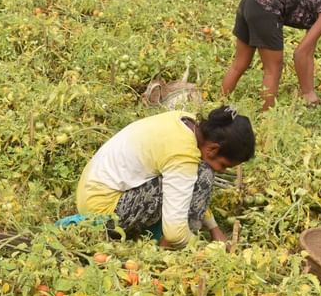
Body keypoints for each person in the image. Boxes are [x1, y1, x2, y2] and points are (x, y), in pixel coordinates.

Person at [74, 106, 255, 249]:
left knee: (199, 172)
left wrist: (214, 228)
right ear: (213, 149)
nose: (222, 171)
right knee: (204, 173)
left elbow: (188, 185)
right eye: (224, 165)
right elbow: (175, 232)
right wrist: (201, 248)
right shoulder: (182, 155)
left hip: (91, 195)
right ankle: (168, 248)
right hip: (103, 215)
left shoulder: (184, 121)